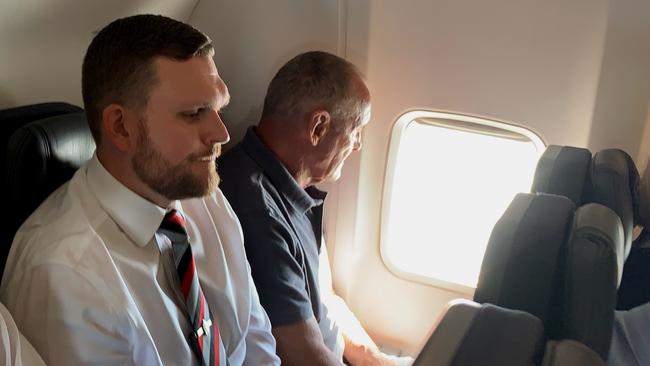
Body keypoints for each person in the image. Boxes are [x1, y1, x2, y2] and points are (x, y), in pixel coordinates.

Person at [0, 14, 280, 366]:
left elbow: (254, 342)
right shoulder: (64, 276)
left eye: (218, 107)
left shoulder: (204, 199)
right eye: (194, 113)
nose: (221, 134)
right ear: (121, 127)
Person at [219, 51, 412, 365]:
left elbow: (327, 301)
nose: (358, 143)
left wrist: (374, 359)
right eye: (357, 128)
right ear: (318, 126)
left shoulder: (294, 188)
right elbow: (302, 355)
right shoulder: (257, 212)